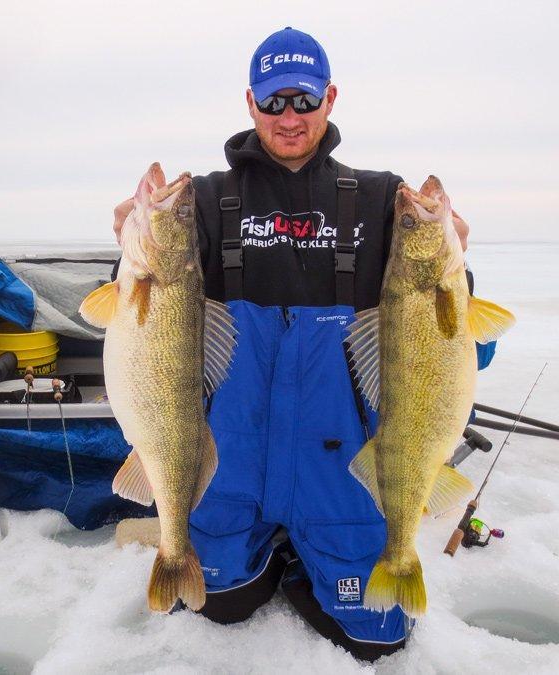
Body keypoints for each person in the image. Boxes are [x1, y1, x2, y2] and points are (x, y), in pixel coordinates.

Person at [112, 27, 492, 660]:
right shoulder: (203, 200)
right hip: (233, 453)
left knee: (379, 637)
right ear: (251, 104)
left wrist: (460, 269)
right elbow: (152, 327)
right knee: (220, 608)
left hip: (337, 461)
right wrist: (126, 241)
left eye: (304, 99)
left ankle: (299, 553)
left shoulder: (380, 198)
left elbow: (439, 337)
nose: (290, 116)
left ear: (330, 98)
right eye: (274, 101)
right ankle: (275, 549)